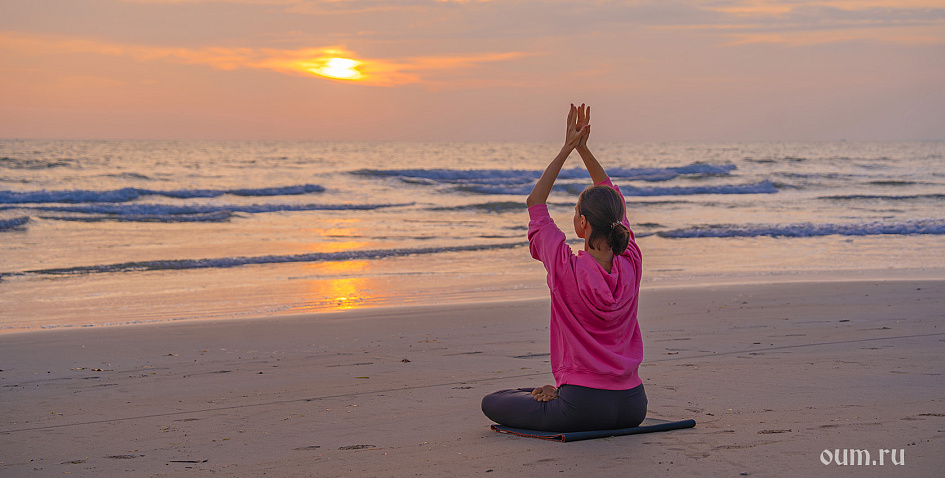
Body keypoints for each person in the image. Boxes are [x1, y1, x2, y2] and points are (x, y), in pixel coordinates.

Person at [480, 104, 646, 432]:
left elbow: (535, 202)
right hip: (633, 404)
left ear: (582, 224)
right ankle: (559, 392)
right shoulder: (631, 262)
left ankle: (559, 394)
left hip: (583, 407)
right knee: (532, 395)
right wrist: (585, 151)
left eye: (575, 213)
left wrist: (567, 149)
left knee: (493, 400)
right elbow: (614, 198)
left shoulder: (564, 268)